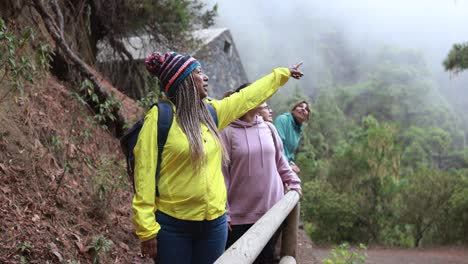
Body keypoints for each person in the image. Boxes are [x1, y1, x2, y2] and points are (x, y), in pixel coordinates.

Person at [132, 51, 303, 264]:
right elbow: (144, 176)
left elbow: (247, 96)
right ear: (183, 80)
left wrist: (281, 75)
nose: (206, 77)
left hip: (214, 225)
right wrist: (146, 229)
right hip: (174, 227)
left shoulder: (212, 114)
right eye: (199, 72)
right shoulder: (160, 118)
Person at [221, 84, 301, 263]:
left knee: (266, 259)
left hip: (271, 213)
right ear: (247, 98)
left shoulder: (268, 128)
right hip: (239, 217)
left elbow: (280, 162)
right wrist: (224, 212)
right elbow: (222, 175)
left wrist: (294, 182)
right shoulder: (227, 132)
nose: (264, 97)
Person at [273, 100, 310, 174]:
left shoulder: (298, 130)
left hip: (283, 164)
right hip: (274, 163)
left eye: (306, 109)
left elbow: (289, 152)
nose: (303, 109)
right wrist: (288, 165)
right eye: (300, 106)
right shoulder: (283, 120)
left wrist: (291, 162)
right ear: (293, 110)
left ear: (307, 117)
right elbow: (277, 146)